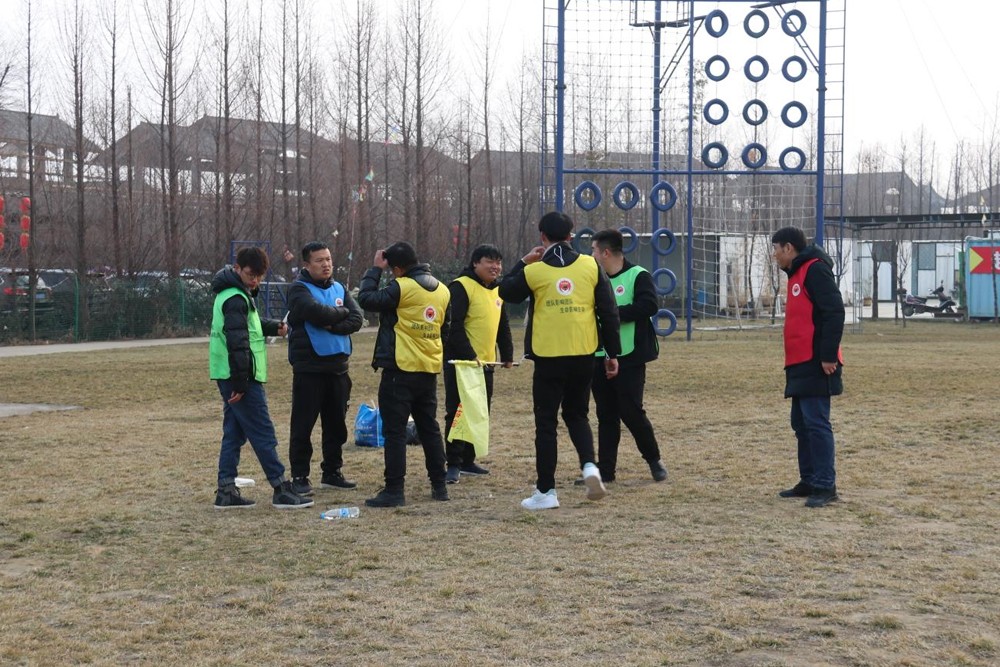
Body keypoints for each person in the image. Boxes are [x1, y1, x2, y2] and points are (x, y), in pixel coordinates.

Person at [498, 211, 621, 510]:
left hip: (548, 355)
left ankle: (546, 491)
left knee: (546, 423)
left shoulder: (535, 271)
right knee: (577, 415)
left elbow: (505, 291)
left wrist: (524, 261)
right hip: (583, 352)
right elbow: (608, 311)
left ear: (542, 237)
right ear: (571, 235)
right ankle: (590, 466)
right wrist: (611, 353)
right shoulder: (590, 265)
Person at [209, 246, 313, 510]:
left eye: (259, 275)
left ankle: (226, 490)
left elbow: (247, 327)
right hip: (241, 377)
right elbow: (237, 342)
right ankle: (281, 487)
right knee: (262, 431)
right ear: (237, 269)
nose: (255, 280)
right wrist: (241, 383)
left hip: (231, 375)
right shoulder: (236, 298)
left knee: (234, 433)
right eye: (250, 274)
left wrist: (273, 327)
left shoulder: (235, 293)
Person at [356, 241, 452, 507]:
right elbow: (445, 329)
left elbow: (367, 299)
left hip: (399, 370)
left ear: (397, 268)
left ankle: (394, 490)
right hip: (428, 370)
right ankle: (440, 485)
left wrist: (375, 270)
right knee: (429, 429)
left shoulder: (402, 287)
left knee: (395, 432)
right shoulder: (443, 290)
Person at [771, 226, 845, 508]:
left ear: (788, 248)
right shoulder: (796, 273)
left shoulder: (815, 270)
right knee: (801, 424)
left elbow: (834, 312)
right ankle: (810, 480)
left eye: (776, 249)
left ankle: (826, 485)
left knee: (816, 423)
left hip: (817, 362)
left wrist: (828, 355)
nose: (775, 255)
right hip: (798, 362)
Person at [285, 241, 365, 497]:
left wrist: (334, 324)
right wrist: (341, 313)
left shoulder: (339, 287)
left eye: (328, 259)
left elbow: (357, 319)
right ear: (307, 264)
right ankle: (300, 476)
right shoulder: (298, 289)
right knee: (303, 426)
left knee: (336, 426)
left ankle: (332, 472)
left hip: (339, 368)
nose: (326, 264)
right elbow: (315, 312)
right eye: (319, 260)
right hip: (310, 369)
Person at [588, 229, 668, 483]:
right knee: (605, 415)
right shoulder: (593, 279)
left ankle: (654, 460)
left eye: (593, 250)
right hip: (599, 354)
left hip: (630, 356)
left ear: (605, 253)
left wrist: (611, 313)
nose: (591, 255)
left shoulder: (638, 275)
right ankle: (606, 471)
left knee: (631, 411)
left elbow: (649, 305)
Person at [443, 244, 515, 484]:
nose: (495, 267)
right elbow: (453, 326)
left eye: (498, 262)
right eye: (489, 261)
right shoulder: (461, 286)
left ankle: (468, 460)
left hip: (485, 363)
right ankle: (453, 463)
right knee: (458, 412)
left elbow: (502, 325)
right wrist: (469, 354)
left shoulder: (497, 290)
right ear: (475, 263)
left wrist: (507, 354)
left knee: (479, 412)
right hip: (462, 364)